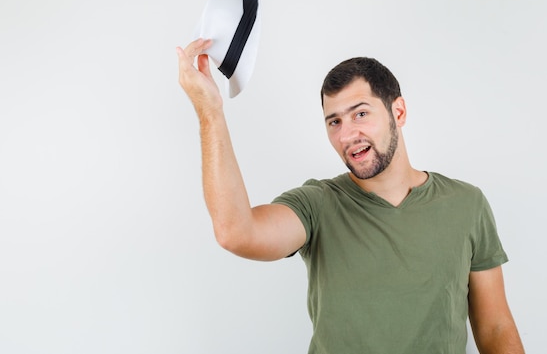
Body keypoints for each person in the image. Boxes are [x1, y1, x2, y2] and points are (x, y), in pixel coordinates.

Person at [176, 38, 525, 354]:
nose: (348, 134)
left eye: (360, 113)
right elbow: (236, 232)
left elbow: (494, 327)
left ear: (398, 112)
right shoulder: (317, 204)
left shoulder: (465, 204)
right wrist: (210, 112)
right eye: (334, 122)